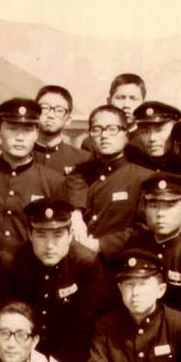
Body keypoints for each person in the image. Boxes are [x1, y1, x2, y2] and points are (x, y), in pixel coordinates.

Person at [0, 199, 109, 362]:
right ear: (29, 234)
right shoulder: (11, 262)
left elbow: (89, 324)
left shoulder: (86, 263)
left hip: (68, 360)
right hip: (20, 357)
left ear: (70, 235)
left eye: (58, 235)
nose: (50, 245)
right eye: (41, 235)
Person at [0, 98, 67, 337]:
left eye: (28, 130)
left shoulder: (53, 181)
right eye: (12, 129)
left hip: (30, 291)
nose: (20, 137)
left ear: (37, 133)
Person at [122, 172, 181, 325]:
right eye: (154, 206)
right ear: (145, 210)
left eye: (169, 206)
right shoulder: (135, 247)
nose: (160, 214)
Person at [64, 104, 153, 262]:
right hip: (80, 264)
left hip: (120, 264)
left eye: (112, 129)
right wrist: (76, 214)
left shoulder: (144, 179)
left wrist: (100, 245)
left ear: (126, 135)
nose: (104, 135)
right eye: (97, 129)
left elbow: (145, 229)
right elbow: (75, 181)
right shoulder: (80, 174)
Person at [34, 85, 89, 174]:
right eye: (44, 108)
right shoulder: (18, 156)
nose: (51, 115)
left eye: (59, 110)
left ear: (68, 120)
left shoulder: (84, 160)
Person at [126, 101, 181, 172]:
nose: (152, 138)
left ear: (174, 131)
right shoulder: (131, 162)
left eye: (159, 130)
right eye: (145, 132)